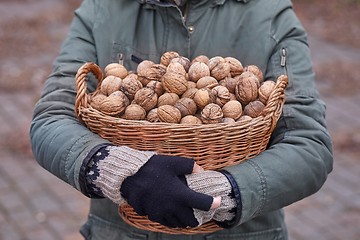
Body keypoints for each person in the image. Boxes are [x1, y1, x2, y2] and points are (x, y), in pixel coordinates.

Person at [30, 0, 333, 239]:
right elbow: (51, 117)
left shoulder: (269, 13)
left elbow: (310, 144)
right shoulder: (103, 8)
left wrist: (227, 190)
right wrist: (116, 169)